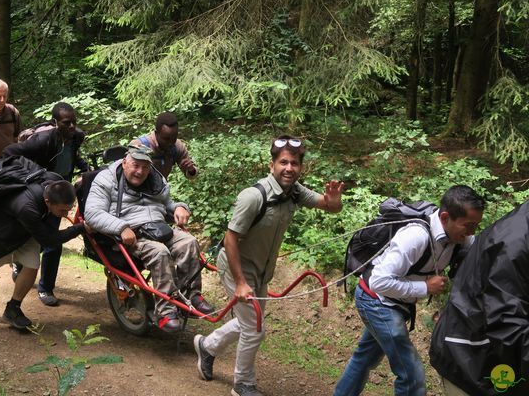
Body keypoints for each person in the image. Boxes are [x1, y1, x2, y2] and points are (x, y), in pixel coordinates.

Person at [193, 135, 344, 396]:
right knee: (254, 329)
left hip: (261, 270)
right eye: (283, 162)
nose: (289, 168)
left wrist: (333, 199)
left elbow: (329, 207)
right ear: (271, 165)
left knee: (247, 323)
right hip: (235, 265)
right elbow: (230, 239)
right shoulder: (253, 196)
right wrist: (240, 282)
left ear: (300, 167)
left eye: (294, 163)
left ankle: (207, 347)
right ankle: (243, 384)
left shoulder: (294, 191)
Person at [333, 185, 486, 396]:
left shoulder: (460, 238)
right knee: (411, 374)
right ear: (444, 217)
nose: (472, 232)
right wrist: (425, 287)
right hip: (375, 300)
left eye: (476, 226)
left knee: (364, 359)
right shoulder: (416, 236)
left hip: (396, 303)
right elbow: (379, 281)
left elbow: (483, 248)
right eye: (468, 225)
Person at [84, 143, 214, 333]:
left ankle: (191, 296)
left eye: (145, 167)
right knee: (160, 253)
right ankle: (165, 311)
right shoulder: (107, 179)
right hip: (130, 233)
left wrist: (179, 207)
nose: (140, 171)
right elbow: (93, 213)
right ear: (125, 162)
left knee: (190, 243)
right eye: (135, 165)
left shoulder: (155, 177)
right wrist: (121, 227)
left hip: (159, 227)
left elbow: (167, 203)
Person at [430, 200, 529, 396]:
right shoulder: (513, 245)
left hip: (505, 364)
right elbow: (508, 326)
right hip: (471, 361)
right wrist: (422, 286)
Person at [3, 102, 90, 306]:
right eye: (66, 123)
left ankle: (45, 288)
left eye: (74, 122)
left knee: (52, 242)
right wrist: (35, 177)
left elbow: (72, 155)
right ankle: (19, 263)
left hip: (61, 195)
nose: (71, 127)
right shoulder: (42, 141)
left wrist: (84, 168)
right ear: (55, 123)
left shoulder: (77, 136)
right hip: (38, 194)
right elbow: (10, 152)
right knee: (34, 237)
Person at [0, 180, 87, 329]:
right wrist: (80, 228)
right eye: (62, 211)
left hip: (26, 228)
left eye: (68, 210)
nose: (66, 215)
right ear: (47, 201)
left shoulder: (55, 184)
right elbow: (49, 240)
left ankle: (13, 308)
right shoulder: (27, 208)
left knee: (32, 265)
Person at [131, 111, 197, 179]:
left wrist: (190, 169)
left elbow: (192, 174)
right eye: (166, 139)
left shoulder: (177, 146)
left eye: (174, 138)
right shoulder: (139, 145)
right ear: (156, 133)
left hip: (160, 188)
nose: (170, 142)